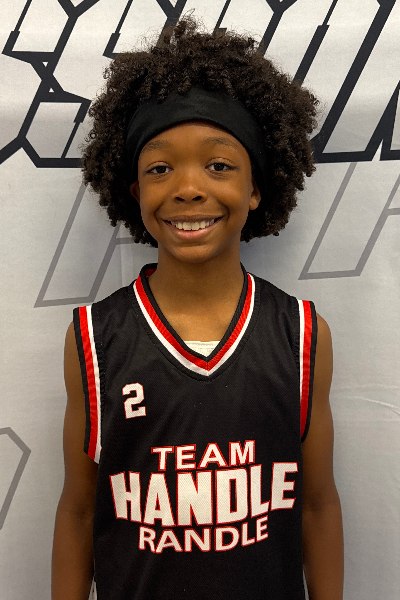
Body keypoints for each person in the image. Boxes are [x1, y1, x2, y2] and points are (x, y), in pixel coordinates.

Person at [52, 16, 344, 600]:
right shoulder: (94, 337)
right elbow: (80, 511)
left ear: (256, 187)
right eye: (160, 168)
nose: (188, 188)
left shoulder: (302, 334)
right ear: (135, 191)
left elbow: (316, 504)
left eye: (219, 165)